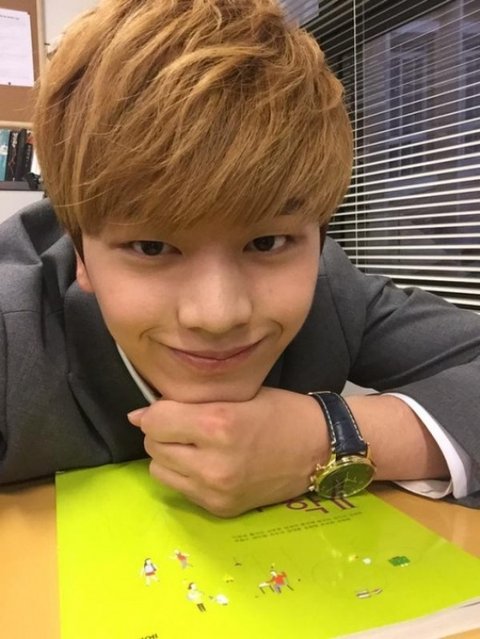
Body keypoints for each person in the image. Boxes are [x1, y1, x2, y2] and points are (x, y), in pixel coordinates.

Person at [0, 0, 479, 516]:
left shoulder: (334, 295)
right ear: (81, 254)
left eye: (266, 243)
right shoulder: (13, 330)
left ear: (318, 238)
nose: (218, 315)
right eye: (152, 247)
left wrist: (329, 437)